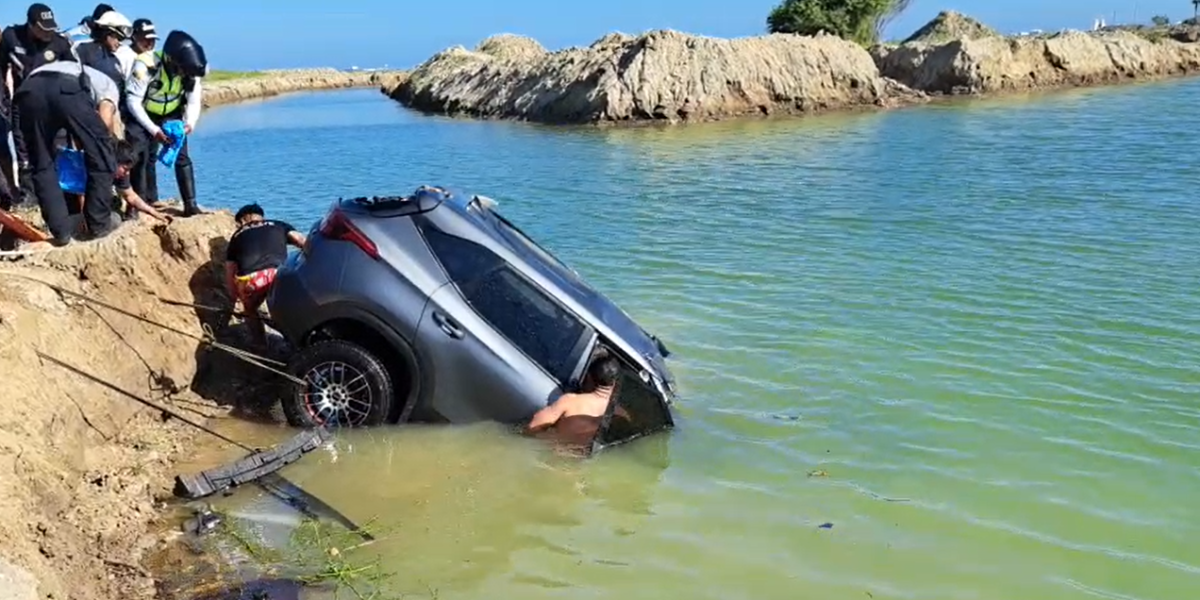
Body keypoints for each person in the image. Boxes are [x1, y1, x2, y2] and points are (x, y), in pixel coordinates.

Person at [14, 56, 124, 244]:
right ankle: (98, 225)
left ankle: (61, 232)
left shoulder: (81, 71)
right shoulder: (110, 87)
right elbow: (105, 122)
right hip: (66, 88)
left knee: (42, 164)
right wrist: (103, 149)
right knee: (102, 154)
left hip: (28, 92)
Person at [0, 4, 75, 209]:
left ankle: (63, 200)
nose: (48, 32)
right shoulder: (10, 36)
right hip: (22, 103)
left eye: (51, 27)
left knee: (57, 151)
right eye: (43, 28)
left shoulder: (59, 43)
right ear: (31, 25)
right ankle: (29, 199)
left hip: (53, 106)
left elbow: (75, 73)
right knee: (24, 151)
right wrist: (3, 99)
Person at [126, 29, 206, 217]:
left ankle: (190, 205)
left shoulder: (192, 71)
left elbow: (193, 100)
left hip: (171, 112)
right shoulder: (145, 66)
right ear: (171, 61)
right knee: (140, 154)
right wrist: (153, 130)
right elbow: (133, 102)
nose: (183, 74)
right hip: (143, 112)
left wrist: (189, 123)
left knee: (182, 156)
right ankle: (137, 205)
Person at [224, 204, 306, 347]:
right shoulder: (278, 224)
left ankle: (260, 345)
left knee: (250, 310)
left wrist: (234, 297)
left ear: (243, 220)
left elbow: (230, 272)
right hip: (279, 273)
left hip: (253, 280)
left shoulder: (236, 236)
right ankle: (300, 340)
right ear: (261, 216)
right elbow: (302, 241)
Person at [525, 353, 626, 447]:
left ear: (589, 377)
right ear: (615, 384)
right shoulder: (621, 415)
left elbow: (534, 425)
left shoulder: (570, 401)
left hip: (554, 456)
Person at [73, 10, 131, 95]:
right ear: (107, 33)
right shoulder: (84, 51)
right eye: (118, 38)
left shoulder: (114, 60)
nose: (119, 43)